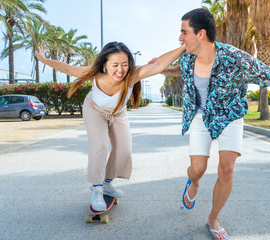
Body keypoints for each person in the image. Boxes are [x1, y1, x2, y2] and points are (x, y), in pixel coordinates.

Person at [160, 8, 270, 240]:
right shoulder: (187, 57)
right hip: (200, 117)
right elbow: (182, 72)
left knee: (226, 170)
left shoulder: (236, 59)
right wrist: (164, 68)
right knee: (198, 169)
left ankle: (213, 218)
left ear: (201, 34)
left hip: (230, 116)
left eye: (184, 32)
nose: (180, 38)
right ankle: (193, 183)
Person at [35, 41, 186, 212]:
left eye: (124, 65)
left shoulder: (133, 75)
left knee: (124, 150)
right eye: (115, 65)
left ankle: (107, 184)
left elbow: (158, 64)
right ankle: (96, 189)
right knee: (99, 145)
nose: (120, 70)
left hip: (117, 112)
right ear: (105, 65)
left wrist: (183, 47)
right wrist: (45, 60)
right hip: (94, 110)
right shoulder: (94, 74)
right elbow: (68, 68)